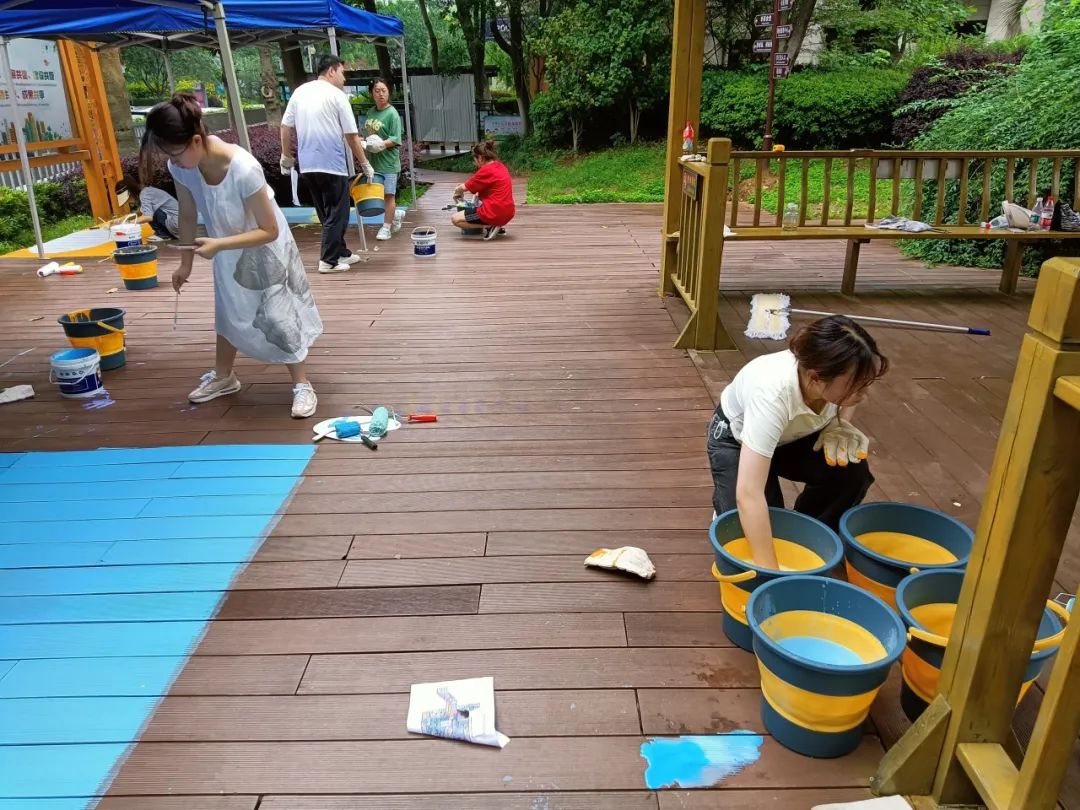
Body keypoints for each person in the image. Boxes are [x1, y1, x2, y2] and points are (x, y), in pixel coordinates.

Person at [141, 93, 323, 418]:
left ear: (196, 140)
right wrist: (185, 263)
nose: (172, 161)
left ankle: (302, 383)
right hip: (223, 245)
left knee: (279, 314)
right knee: (228, 310)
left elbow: (270, 230)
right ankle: (224, 376)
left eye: (174, 153)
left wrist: (219, 245)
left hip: (265, 248)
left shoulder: (243, 168)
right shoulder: (182, 167)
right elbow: (187, 213)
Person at [706, 316, 887, 569]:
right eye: (856, 387)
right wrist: (773, 575)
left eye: (866, 384)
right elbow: (749, 494)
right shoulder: (772, 394)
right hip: (737, 439)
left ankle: (810, 537)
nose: (863, 395)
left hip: (792, 436)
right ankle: (726, 500)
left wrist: (838, 425)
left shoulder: (827, 373)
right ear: (815, 378)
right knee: (754, 525)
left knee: (850, 471)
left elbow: (847, 400)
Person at [280, 54, 375, 274]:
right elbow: (351, 136)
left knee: (327, 212)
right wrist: (365, 163)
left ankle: (340, 252)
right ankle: (328, 260)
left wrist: (286, 156)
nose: (344, 78)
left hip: (307, 165)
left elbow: (285, 127)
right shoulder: (337, 95)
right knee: (338, 213)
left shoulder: (300, 92)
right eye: (342, 72)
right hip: (331, 163)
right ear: (331, 71)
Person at [363, 78, 403, 241]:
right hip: (372, 162)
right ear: (371, 93)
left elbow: (396, 138)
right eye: (377, 91)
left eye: (384, 90)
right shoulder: (370, 112)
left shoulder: (392, 114)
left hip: (388, 163)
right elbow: (367, 134)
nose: (381, 94)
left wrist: (380, 144)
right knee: (377, 195)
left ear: (388, 92)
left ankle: (386, 228)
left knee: (388, 195)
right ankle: (395, 214)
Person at [451, 140, 516, 241]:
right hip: (508, 212)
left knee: (455, 219)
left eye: (475, 160)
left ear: (480, 158)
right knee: (478, 203)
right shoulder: (500, 166)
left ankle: (490, 225)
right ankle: (495, 225)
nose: (475, 163)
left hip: (494, 213)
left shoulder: (486, 170)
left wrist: (457, 191)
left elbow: (464, 187)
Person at [114, 173, 180, 242]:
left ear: (130, 192)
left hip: (176, 223)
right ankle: (165, 234)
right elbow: (141, 211)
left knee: (151, 213)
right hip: (178, 222)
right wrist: (124, 218)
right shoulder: (146, 191)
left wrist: (128, 223)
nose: (129, 200)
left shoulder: (145, 194)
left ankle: (163, 235)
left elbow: (148, 217)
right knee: (150, 211)